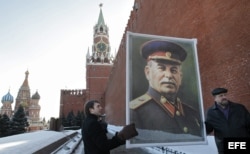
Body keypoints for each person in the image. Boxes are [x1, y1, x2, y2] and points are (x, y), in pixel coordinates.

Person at [129, 40, 201, 138]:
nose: (169, 75)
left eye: (174, 70)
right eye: (161, 68)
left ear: (180, 77)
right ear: (148, 73)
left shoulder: (192, 114)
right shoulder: (135, 112)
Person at [205, 88, 250, 154]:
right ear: (215, 98)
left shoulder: (239, 108)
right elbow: (208, 129)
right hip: (223, 146)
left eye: (225, 95)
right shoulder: (211, 112)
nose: (224, 97)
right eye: (221, 96)